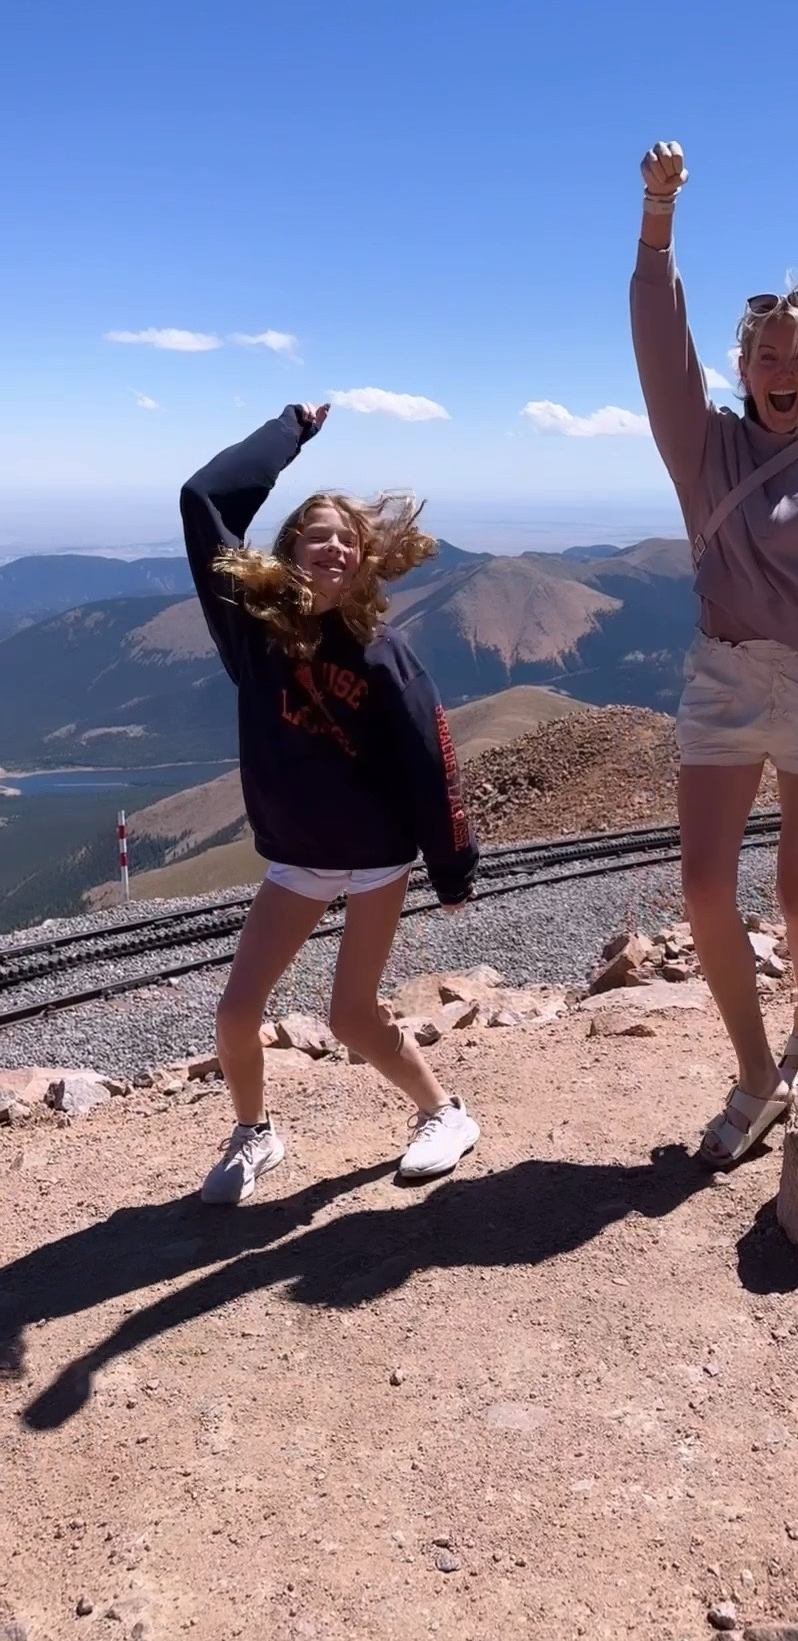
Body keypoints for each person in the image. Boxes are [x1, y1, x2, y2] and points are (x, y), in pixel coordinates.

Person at [630, 141, 798, 1171]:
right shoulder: (705, 448)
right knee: (705, 889)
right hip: (727, 678)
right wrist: (659, 216)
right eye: (766, 357)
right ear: (739, 368)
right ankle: (757, 1080)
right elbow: (659, 341)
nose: (782, 373)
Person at [180, 402, 480, 1203]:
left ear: (365, 560)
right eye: (319, 534)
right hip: (298, 857)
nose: (336, 547)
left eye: (349, 538)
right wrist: (291, 430)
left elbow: (432, 761)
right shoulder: (252, 628)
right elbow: (201, 501)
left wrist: (451, 870)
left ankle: (445, 1113)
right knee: (236, 1013)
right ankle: (255, 1135)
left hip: (379, 855)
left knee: (351, 1016)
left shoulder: (386, 654)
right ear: (289, 550)